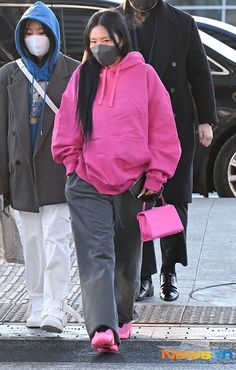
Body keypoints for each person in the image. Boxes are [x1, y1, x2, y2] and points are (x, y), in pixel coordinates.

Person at [51, 8, 181, 353]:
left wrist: (156, 174)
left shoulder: (146, 76)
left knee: (126, 257)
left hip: (134, 183)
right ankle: (102, 328)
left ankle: (122, 317)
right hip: (86, 181)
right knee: (96, 254)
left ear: (120, 39)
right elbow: (67, 125)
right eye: (93, 42)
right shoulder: (83, 76)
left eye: (105, 41)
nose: (99, 48)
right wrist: (72, 164)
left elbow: (164, 130)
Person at [119, 0, 218, 301]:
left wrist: (206, 120)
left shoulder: (182, 22)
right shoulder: (112, 20)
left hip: (173, 124)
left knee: (173, 200)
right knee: (137, 201)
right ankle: (144, 274)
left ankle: (169, 270)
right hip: (130, 126)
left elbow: (200, 73)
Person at [0, 1, 79, 332]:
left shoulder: (73, 72)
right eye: (29, 32)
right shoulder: (9, 74)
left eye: (41, 31)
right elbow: (2, 132)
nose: (35, 38)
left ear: (53, 34)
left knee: (56, 240)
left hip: (58, 173)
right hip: (22, 176)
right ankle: (36, 304)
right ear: (20, 36)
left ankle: (55, 307)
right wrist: (3, 184)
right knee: (32, 244)